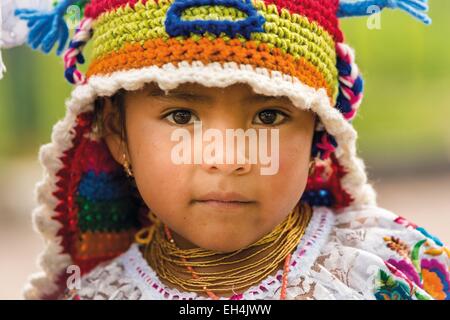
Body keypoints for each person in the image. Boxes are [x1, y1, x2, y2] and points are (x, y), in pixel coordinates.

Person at [7, 0, 447, 300]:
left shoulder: (389, 267)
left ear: (318, 133)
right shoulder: (97, 292)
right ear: (117, 135)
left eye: (269, 117)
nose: (229, 156)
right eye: (181, 117)